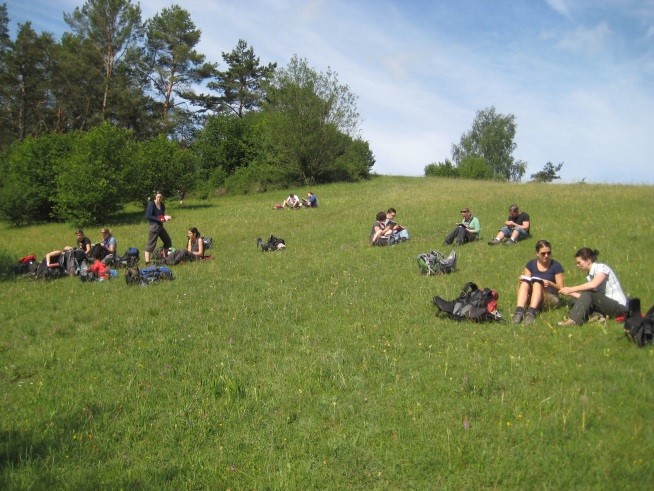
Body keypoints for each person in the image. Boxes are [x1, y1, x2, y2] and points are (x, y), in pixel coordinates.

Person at [557, 248, 628, 326]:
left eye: (579, 262)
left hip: (619, 307)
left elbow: (594, 285)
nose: (577, 265)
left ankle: (573, 321)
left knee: (588, 292)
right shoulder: (590, 275)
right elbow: (586, 297)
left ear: (588, 260)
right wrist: (571, 293)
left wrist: (570, 289)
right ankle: (598, 316)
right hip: (605, 305)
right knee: (572, 302)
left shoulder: (601, 268)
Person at [513, 240, 565, 324]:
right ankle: (519, 312)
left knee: (537, 284)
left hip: (550, 297)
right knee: (524, 283)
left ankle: (531, 313)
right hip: (534, 296)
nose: (546, 255)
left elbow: (562, 289)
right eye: (543, 253)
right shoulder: (531, 265)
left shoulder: (556, 266)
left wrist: (550, 283)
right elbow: (527, 281)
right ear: (537, 253)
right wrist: (523, 280)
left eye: (549, 253)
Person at [144, 191, 172, 265]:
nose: (159, 198)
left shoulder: (162, 205)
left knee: (168, 241)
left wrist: (165, 217)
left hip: (160, 226)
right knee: (151, 244)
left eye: (161, 197)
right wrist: (159, 219)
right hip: (153, 226)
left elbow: (161, 215)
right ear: (155, 197)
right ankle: (147, 262)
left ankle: (165, 258)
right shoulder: (151, 204)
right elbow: (148, 216)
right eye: (158, 197)